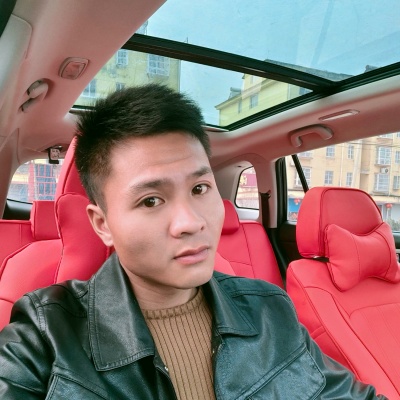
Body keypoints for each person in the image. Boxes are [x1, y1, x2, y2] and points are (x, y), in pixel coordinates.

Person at [0, 84, 387, 399]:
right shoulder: (44, 335)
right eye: (151, 200)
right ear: (103, 225)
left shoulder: (271, 310)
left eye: (200, 188)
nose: (191, 222)